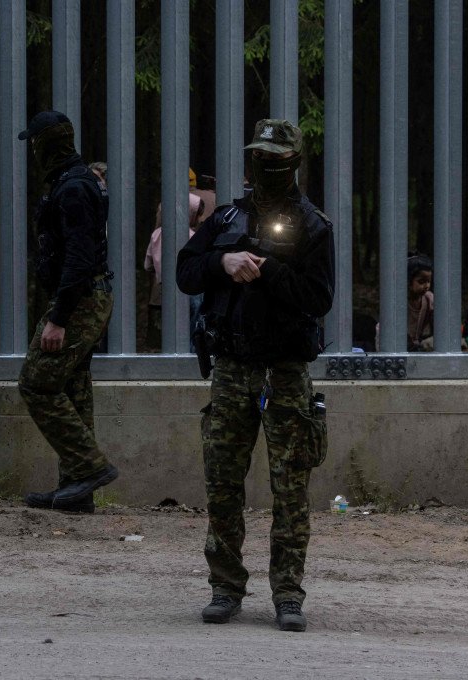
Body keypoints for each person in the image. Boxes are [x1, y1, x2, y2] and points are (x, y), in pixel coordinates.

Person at [176, 119, 335, 632]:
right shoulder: (225, 219)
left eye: (275, 159)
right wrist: (223, 261)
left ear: (293, 163)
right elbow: (184, 273)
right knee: (222, 483)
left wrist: (268, 269)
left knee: (289, 488)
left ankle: (288, 594)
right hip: (231, 369)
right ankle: (225, 588)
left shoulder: (312, 226)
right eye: (259, 158)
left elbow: (319, 298)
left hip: (283, 373)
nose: (265, 167)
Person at [17, 110, 119, 513]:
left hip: (80, 298)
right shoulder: (73, 182)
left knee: (36, 383)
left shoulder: (74, 188)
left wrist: (59, 317)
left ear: (46, 145)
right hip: (85, 295)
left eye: (36, 145)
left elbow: (79, 257)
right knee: (73, 387)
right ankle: (77, 491)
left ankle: (89, 468)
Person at [145, 192, 205, 349]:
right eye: (196, 215)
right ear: (189, 213)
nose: (198, 220)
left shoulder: (156, 235)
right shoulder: (192, 236)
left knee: (172, 327)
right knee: (192, 325)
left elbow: (148, 265)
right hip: (190, 290)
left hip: (166, 288)